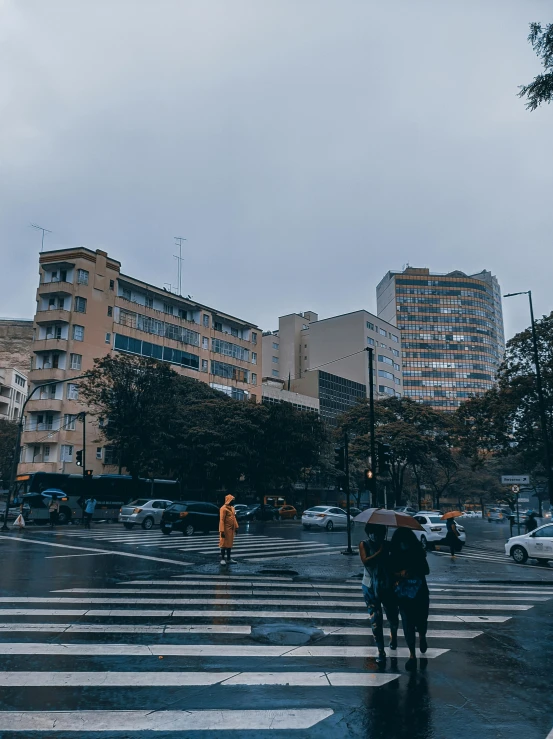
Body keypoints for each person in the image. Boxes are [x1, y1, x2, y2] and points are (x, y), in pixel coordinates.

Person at [390, 527, 430, 671]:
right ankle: (412, 655)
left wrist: (413, 569)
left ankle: (422, 637)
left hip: (420, 593)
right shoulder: (394, 554)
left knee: (421, 620)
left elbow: (426, 570)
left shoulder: (418, 553)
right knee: (407, 623)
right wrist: (400, 574)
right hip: (404, 594)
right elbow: (390, 573)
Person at [358, 522, 399, 665]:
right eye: (373, 532)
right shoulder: (364, 544)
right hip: (369, 586)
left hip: (387, 585)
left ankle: (393, 636)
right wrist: (380, 552)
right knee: (375, 619)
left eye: (380, 532)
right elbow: (366, 561)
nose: (376, 535)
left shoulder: (388, 545)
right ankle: (380, 650)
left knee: (393, 616)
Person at [219, 495, 239, 565]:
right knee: (223, 545)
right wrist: (222, 531)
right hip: (225, 530)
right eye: (232, 500)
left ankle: (228, 559)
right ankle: (222, 559)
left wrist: (236, 527)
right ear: (229, 500)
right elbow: (221, 520)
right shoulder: (223, 508)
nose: (234, 501)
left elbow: (234, 518)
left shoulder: (232, 508)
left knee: (229, 545)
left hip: (231, 530)